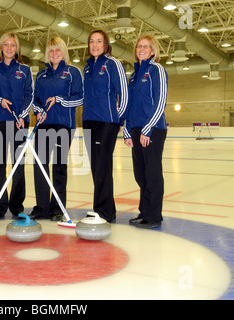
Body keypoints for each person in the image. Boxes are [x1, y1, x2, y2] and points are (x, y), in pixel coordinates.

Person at [30, 37, 83, 220]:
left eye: (57, 50)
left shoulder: (73, 72)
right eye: (51, 51)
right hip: (43, 125)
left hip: (63, 126)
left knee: (59, 166)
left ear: (63, 52)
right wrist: (38, 111)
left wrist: (59, 99)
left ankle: (58, 207)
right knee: (40, 166)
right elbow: (35, 99)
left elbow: (80, 98)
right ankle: (42, 207)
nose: (54, 54)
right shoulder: (42, 75)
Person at [0, 32, 34, 220]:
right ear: (1, 47)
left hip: (20, 123)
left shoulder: (25, 70)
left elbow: (30, 94)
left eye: (13, 45)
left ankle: (17, 206)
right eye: (6, 45)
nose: (10, 48)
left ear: (17, 48)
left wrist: (22, 114)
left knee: (18, 165)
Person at [82, 29, 128, 222]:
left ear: (106, 44)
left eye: (98, 41)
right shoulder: (87, 67)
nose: (94, 45)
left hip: (106, 122)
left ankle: (104, 212)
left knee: (102, 166)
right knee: (97, 167)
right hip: (88, 121)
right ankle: (103, 208)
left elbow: (124, 94)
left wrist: (119, 119)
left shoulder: (113, 64)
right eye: (91, 41)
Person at [123, 35, 168, 229]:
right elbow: (129, 105)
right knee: (140, 175)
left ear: (152, 51)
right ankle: (144, 212)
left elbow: (160, 101)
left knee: (152, 174)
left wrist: (148, 128)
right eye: (139, 46)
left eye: (146, 46)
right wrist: (126, 129)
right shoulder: (134, 75)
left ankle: (153, 216)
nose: (141, 49)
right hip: (136, 129)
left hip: (153, 129)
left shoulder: (156, 69)